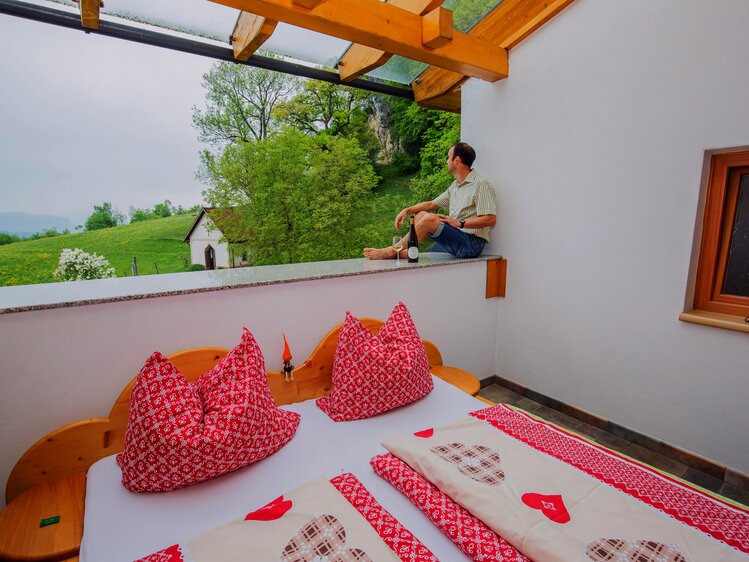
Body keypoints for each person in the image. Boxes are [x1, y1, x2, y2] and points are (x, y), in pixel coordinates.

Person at [364, 142, 496, 260]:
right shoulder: (455, 186)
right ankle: (408, 252)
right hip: (457, 237)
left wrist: (458, 223)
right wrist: (407, 210)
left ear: (456, 160)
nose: (446, 161)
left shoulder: (480, 184)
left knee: (429, 220)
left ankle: (390, 251)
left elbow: (490, 219)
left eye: (448, 158)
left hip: (471, 244)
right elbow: (431, 204)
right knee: (421, 215)